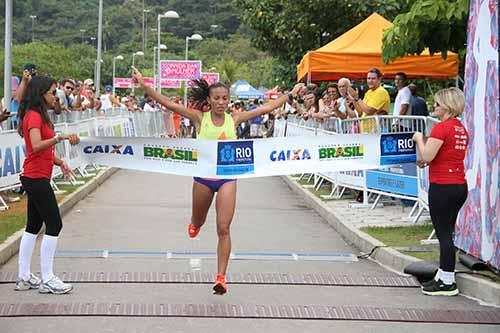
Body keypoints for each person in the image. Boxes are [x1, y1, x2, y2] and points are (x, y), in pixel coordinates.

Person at [132, 68, 303, 295]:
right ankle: (195, 223)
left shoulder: (235, 119)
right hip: (203, 178)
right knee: (199, 221)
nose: (221, 103)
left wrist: (290, 95)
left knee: (223, 228)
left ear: (229, 100)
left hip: (226, 178)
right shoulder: (199, 119)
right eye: (217, 99)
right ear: (209, 100)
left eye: (225, 99)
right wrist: (144, 86)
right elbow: (170, 105)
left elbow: (267, 107)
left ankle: (221, 278)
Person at [15, 75, 80, 294]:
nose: (55, 96)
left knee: (33, 226)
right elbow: (35, 146)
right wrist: (59, 138)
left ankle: (24, 277)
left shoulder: (40, 115)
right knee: (54, 224)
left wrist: (59, 161)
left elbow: (41, 150)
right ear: (41, 93)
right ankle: (47, 278)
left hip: (37, 176)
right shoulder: (33, 116)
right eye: (52, 92)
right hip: (35, 178)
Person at [413, 87, 469, 296]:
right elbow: (444, 156)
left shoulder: (441, 128)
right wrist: (427, 160)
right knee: (447, 232)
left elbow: (427, 155)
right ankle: (443, 274)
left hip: (443, 186)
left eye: (437, 104)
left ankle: (447, 281)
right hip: (458, 185)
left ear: (446, 106)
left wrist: (419, 138)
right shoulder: (460, 128)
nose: (433, 107)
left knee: (444, 234)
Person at [348, 67, 390, 132]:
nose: (370, 81)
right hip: (366, 131)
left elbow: (369, 111)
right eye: (368, 78)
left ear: (379, 79)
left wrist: (357, 98)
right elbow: (360, 112)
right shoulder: (368, 92)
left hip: (376, 132)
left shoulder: (381, 91)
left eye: (373, 78)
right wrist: (354, 99)